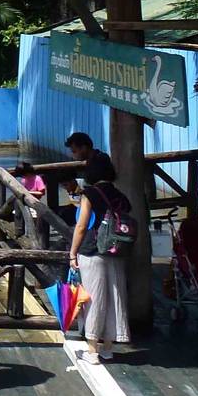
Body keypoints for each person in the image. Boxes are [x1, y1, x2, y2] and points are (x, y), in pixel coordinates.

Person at [69, 153, 132, 364]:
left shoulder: (89, 194)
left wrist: (72, 253)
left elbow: (81, 226)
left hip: (92, 250)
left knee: (93, 299)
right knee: (115, 297)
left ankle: (92, 350)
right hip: (116, 251)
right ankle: (108, 348)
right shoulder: (120, 195)